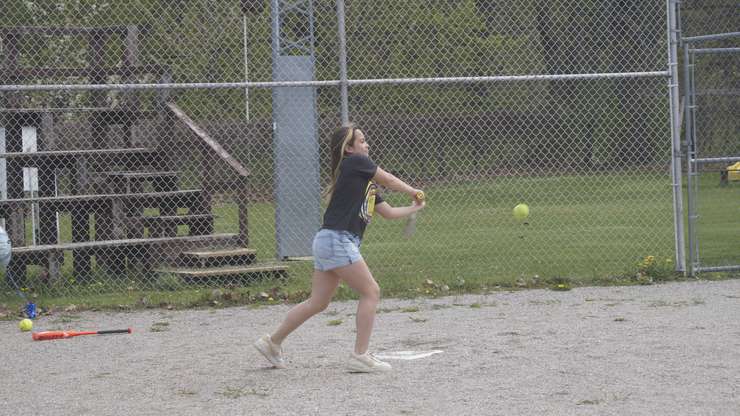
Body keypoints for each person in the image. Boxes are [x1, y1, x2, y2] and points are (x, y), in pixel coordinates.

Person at [254, 123, 425, 373]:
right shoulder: (354, 163)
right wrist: (414, 190)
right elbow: (388, 177)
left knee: (318, 302)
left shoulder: (365, 182)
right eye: (362, 141)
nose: (367, 145)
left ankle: (272, 342)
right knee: (371, 291)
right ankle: (360, 355)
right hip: (337, 240)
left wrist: (414, 207)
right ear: (349, 149)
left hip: (329, 241)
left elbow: (387, 213)